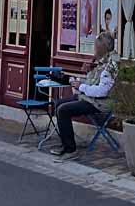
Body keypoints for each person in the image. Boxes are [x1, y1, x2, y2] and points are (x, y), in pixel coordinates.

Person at [51, 30, 119, 158]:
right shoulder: (103, 62)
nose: (94, 50)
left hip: (100, 103)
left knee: (63, 110)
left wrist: (81, 86)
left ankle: (71, 149)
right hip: (90, 98)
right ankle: (66, 142)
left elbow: (102, 91)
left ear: (102, 47)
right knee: (58, 104)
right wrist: (88, 72)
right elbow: (95, 82)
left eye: (96, 47)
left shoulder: (111, 65)